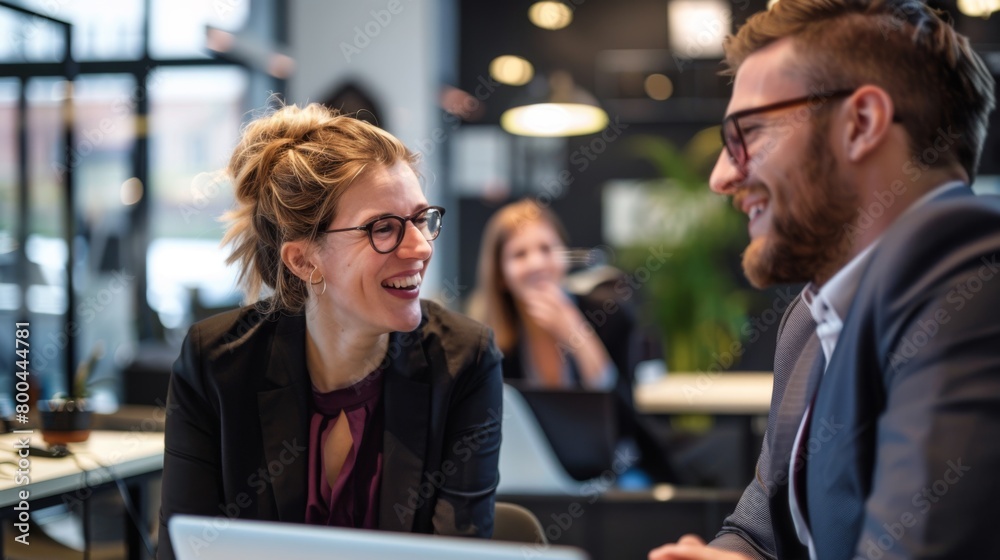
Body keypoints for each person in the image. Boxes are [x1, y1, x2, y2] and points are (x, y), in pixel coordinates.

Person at [649, 0, 999, 559]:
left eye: (748, 132)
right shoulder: (812, 320)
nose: (721, 176)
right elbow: (761, 530)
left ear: (860, 124)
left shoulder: (969, 265)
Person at [158, 103, 503, 560]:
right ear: (304, 261)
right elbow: (184, 550)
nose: (420, 247)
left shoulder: (465, 360)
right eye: (384, 228)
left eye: (422, 219)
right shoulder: (217, 364)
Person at [470, 199, 675, 482]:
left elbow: (626, 423)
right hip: (527, 475)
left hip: (611, 470)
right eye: (519, 254)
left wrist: (577, 336)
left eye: (546, 249)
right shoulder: (487, 341)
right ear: (501, 274)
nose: (536, 263)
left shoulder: (610, 315)